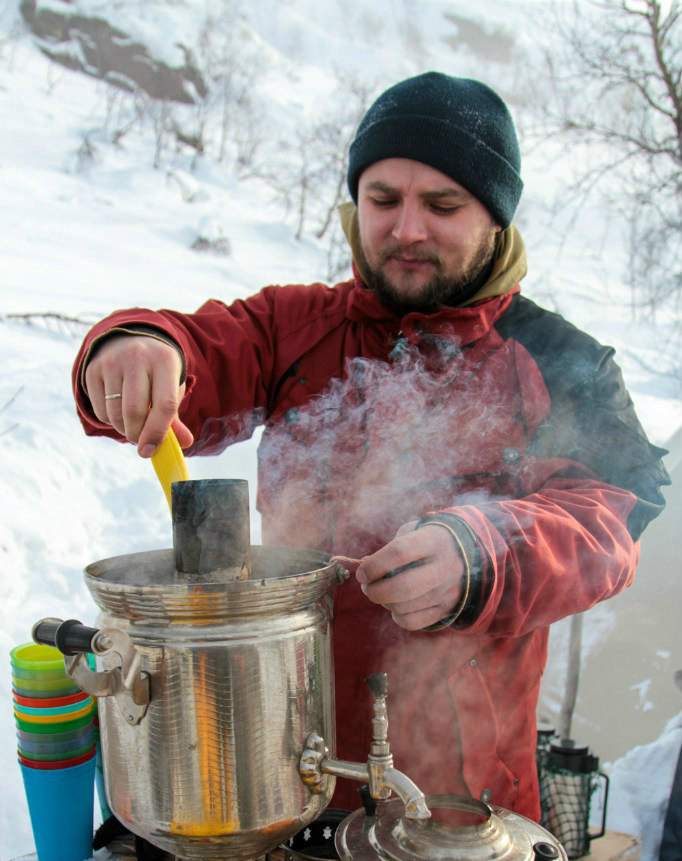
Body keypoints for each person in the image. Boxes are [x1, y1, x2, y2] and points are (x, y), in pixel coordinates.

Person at [72, 72, 669, 821]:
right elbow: (198, 349)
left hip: (460, 799)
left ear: (496, 217)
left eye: (443, 205)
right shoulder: (297, 327)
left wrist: (484, 553)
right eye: (383, 200)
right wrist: (133, 347)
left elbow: (612, 517)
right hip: (281, 762)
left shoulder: (555, 359)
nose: (406, 228)